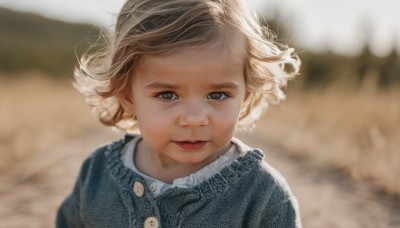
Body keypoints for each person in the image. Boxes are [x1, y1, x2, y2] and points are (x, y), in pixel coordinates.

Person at [56, 0, 302, 227]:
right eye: (167, 95)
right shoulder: (96, 175)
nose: (194, 119)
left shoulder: (263, 196)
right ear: (127, 96)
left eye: (217, 95)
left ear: (245, 95)